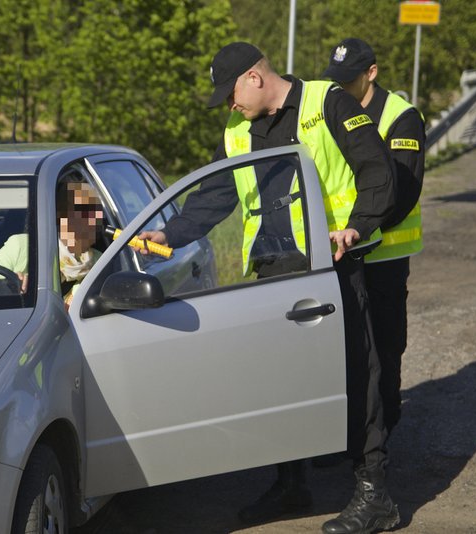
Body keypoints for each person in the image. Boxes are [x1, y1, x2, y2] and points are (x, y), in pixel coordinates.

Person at [138, 42, 400, 533]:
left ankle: (375, 494)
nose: (229, 105)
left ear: (254, 78)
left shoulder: (328, 103)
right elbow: (214, 195)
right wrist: (169, 235)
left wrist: (358, 226)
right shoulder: (237, 131)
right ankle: (290, 484)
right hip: (272, 276)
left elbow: (377, 170)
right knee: (281, 385)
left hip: (331, 267)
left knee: (355, 379)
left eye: (230, 93)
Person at [323, 37, 425, 436]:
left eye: (350, 79)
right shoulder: (332, 110)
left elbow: (401, 190)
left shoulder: (401, 116)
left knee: (385, 344)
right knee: (347, 348)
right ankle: (353, 429)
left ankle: (387, 423)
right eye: (337, 78)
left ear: (372, 73)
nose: (342, 86)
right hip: (345, 250)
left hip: (385, 252)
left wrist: (363, 228)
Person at [0, 179, 104, 309]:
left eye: (97, 209)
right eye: (84, 211)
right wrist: (8, 284)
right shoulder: (21, 245)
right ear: (62, 213)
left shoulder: (100, 262)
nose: (96, 217)